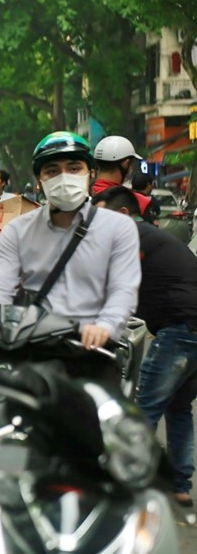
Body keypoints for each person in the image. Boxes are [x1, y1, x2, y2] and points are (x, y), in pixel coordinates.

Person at [0, 131, 140, 383]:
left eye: (74, 168)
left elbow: (123, 290)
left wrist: (105, 327)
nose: (64, 177)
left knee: (117, 422)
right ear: (39, 180)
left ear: (90, 174)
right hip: (30, 354)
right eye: (52, 170)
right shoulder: (17, 230)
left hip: (92, 355)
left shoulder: (119, 228)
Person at [92, 185, 197, 517]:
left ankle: (125, 490)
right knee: (178, 407)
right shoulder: (151, 238)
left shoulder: (132, 235)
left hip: (181, 328)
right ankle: (180, 488)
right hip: (189, 327)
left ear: (123, 215)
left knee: (143, 411)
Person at [92, 135, 151, 216]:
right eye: (131, 166)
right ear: (125, 164)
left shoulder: (81, 197)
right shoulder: (139, 202)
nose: (131, 170)